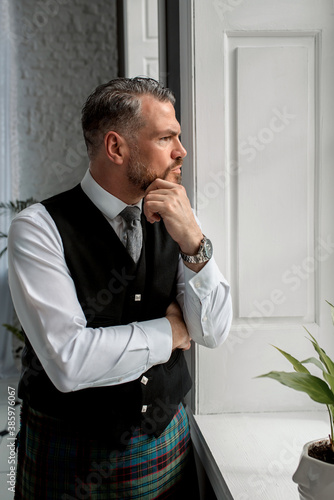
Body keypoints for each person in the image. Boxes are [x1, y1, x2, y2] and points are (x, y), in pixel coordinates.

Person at [8, 77, 232, 499]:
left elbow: (215, 331)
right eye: (167, 138)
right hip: (69, 457)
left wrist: (194, 244)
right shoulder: (38, 229)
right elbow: (70, 362)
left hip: (167, 446)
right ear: (116, 148)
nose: (181, 151)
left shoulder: (180, 217)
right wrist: (172, 333)